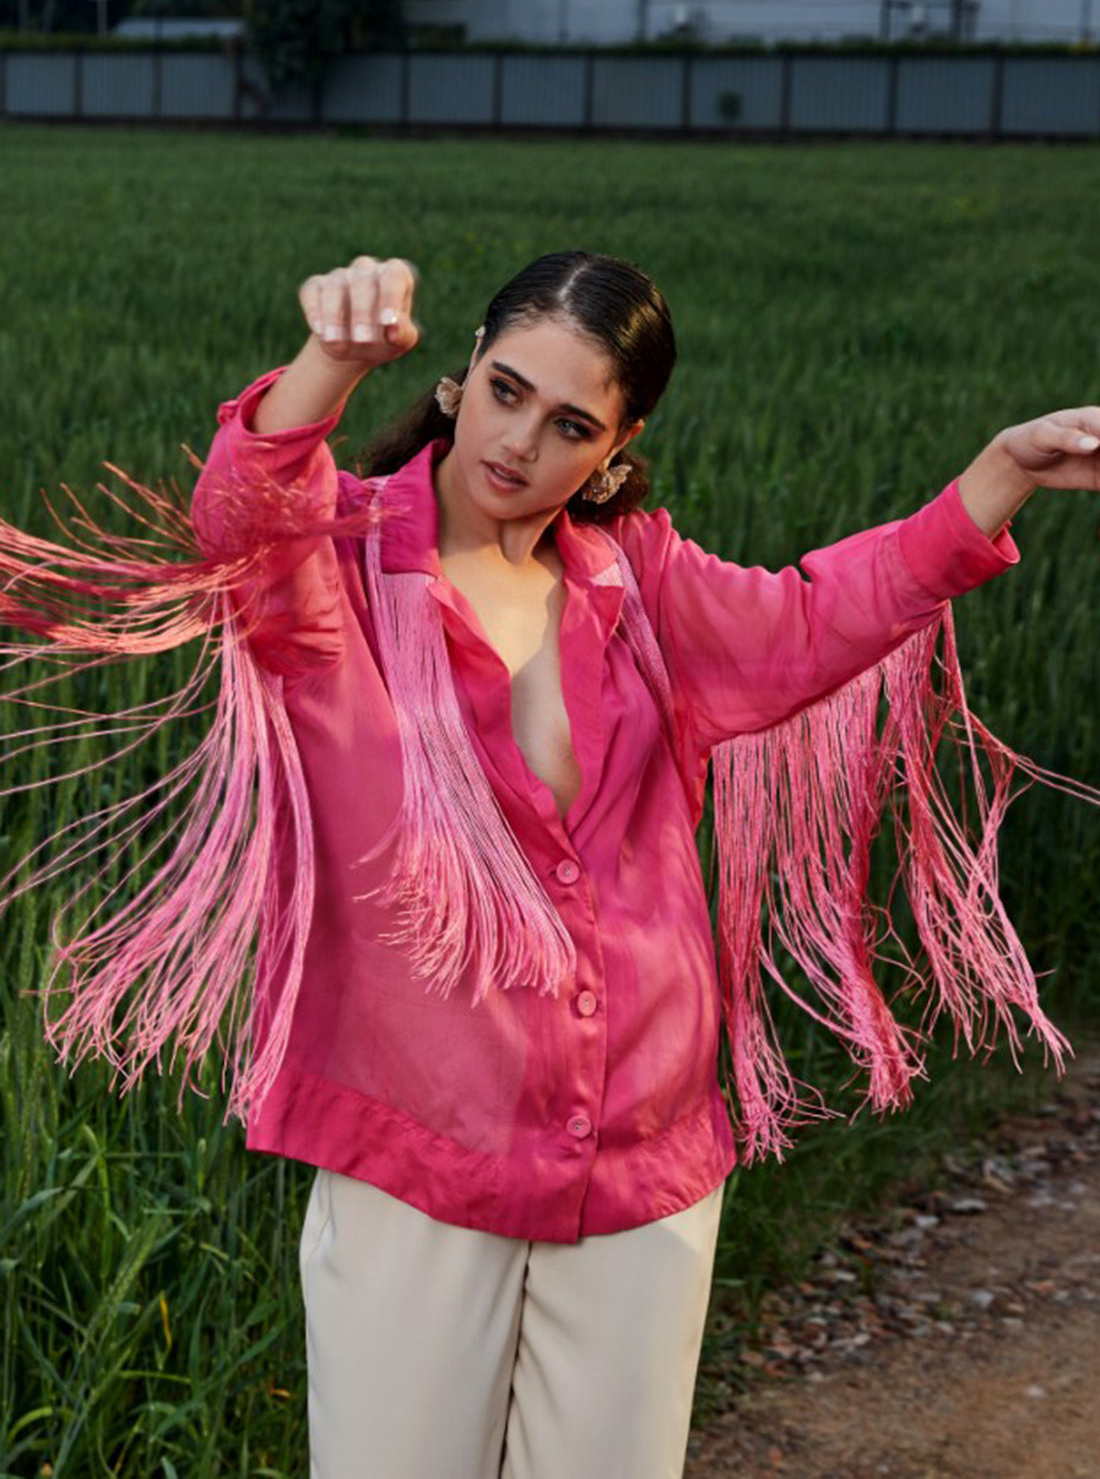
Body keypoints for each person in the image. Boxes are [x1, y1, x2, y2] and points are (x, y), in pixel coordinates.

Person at [2, 248, 1099, 1479]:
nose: (519, 442)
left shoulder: (644, 583)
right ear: (466, 368)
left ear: (617, 447)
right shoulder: (336, 573)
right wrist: (331, 364)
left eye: (571, 424)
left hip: (642, 1158)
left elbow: (812, 619)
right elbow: (239, 520)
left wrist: (1000, 472)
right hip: (422, 1158)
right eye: (507, 391)